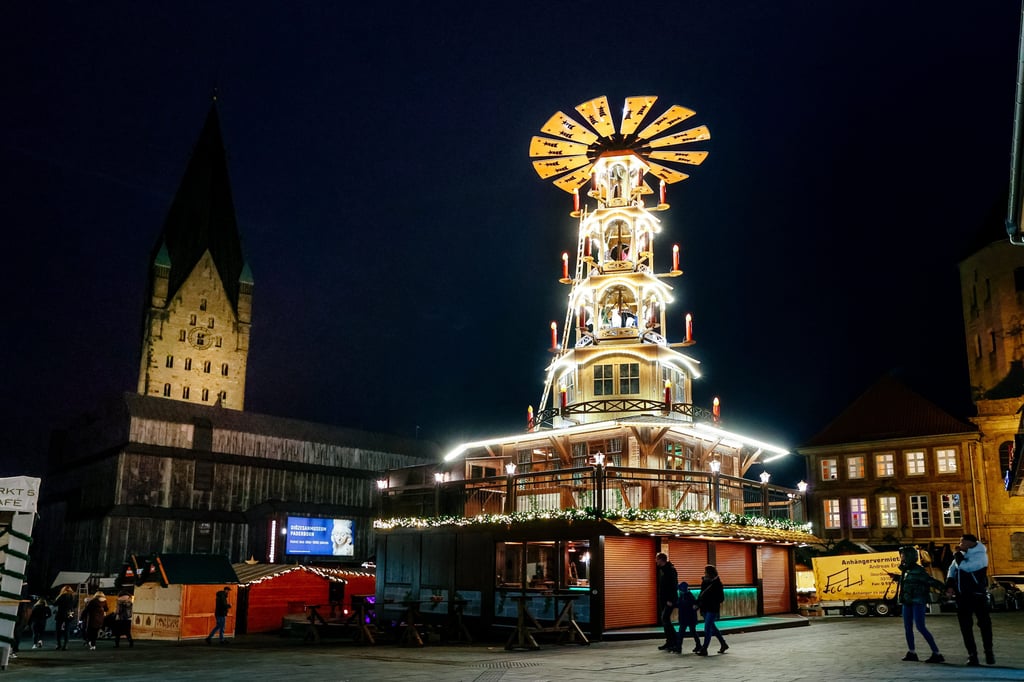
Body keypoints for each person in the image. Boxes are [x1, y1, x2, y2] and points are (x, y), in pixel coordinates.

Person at [946, 533, 994, 666]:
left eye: (962, 542)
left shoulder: (980, 555)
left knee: (984, 624)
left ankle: (988, 651)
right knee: (965, 626)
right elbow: (952, 569)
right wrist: (950, 584)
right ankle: (972, 655)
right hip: (963, 596)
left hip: (977, 594)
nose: (959, 544)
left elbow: (966, 567)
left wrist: (957, 555)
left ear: (969, 542)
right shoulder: (962, 554)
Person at [896, 546, 945, 663]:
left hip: (918, 601)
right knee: (908, 628)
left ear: (909, 556)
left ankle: (936, 653)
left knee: (920, 627)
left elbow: (931, 581)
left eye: (903, 555)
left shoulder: (919, 570)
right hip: (907, 601)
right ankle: (912, 652)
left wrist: (946, 589)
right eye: (901, 555)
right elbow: (909, 582)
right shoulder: (905, 570)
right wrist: (897, 578)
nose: (901, 557)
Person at [696, 564, 728, 656]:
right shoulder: (704, 582)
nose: (704, 573)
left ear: (710, 573)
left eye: (705, 572)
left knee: (707, 628)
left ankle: (704, 648)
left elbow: (721, 598)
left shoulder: (717, 584)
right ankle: (723, 644)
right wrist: (698, 604)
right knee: (712, 627)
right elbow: (701, 594)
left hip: (712, 609)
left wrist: (711, 599)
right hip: (705, 608)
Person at [654, 552, 679, 652]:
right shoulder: (663, 570)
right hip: (664, 599)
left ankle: (674, 641)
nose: (655, 561)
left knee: (665, 619)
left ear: (661, 559)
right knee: (665, 620)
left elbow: (673, 586)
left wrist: (670, 600)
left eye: (656, 559)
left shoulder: (670, 570)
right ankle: (670, 641)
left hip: (669, 600)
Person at [675, 581, 700, 654]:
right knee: (692, 632)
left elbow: (681, 605)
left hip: (686, 617)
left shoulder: (685, 596)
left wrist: (673, 604)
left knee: (681, 633)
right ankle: (698, 645)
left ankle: (679, 647)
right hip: (690, 617)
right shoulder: (688, 595)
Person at [53, 585, 76, 651]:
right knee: (67, 629)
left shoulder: (61, 596)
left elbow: (55, 603)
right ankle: (65, 645)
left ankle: (58, 644)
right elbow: (74, 606)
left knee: (58, 629)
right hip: (69, 614)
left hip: (61, 613)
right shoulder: (73, 596)